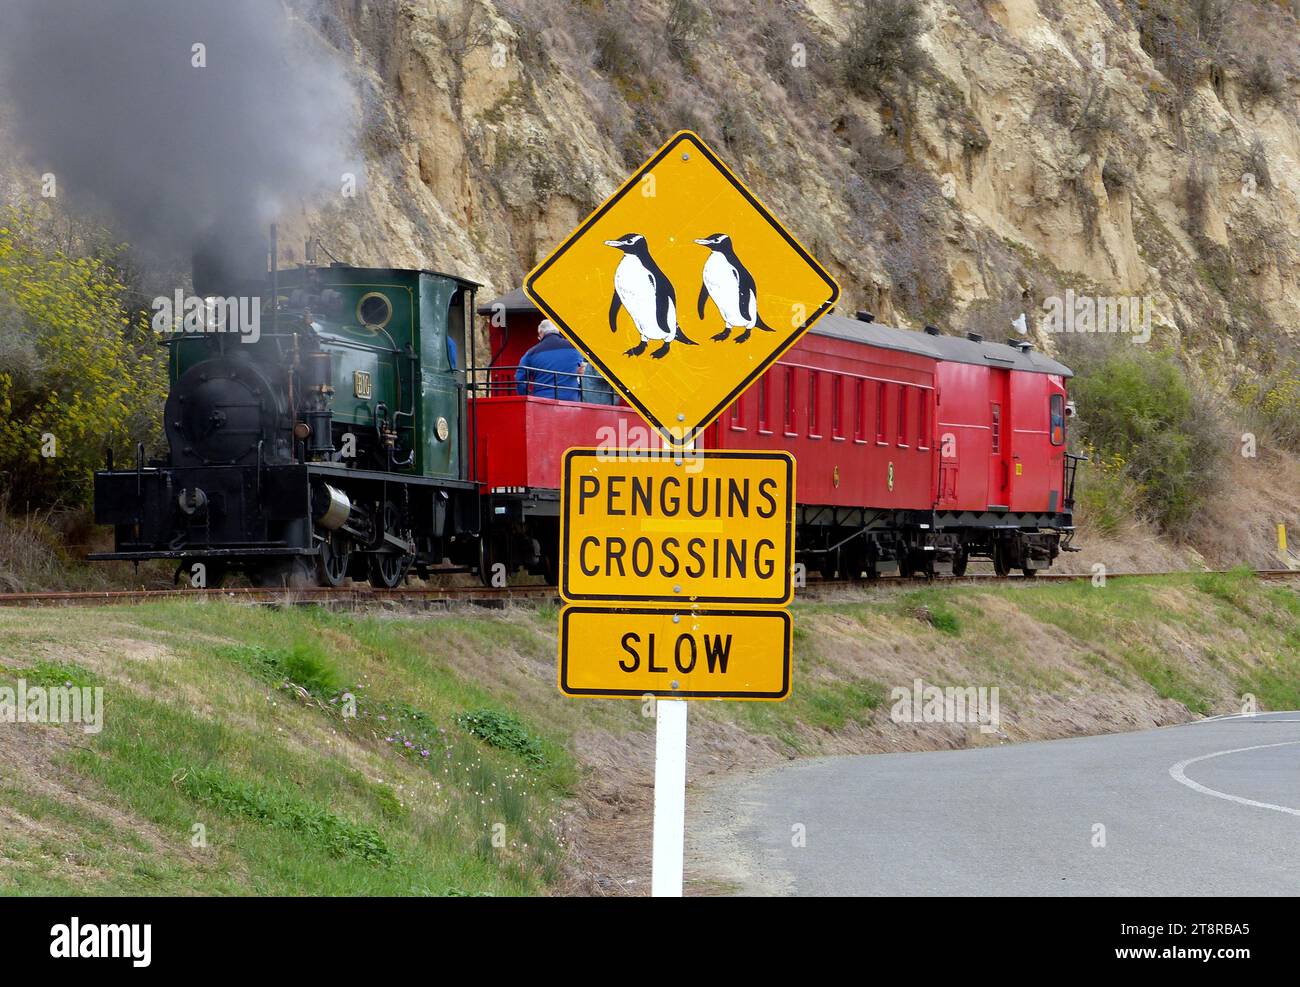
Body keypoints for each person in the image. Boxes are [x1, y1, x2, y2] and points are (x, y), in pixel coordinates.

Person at [515, 320, 582, 400]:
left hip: (542, 401)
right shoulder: (575, 348)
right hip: (571, 400)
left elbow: (520, 378)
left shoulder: (531, 353)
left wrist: (527, 396)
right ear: (558, 331)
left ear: (541, 333)